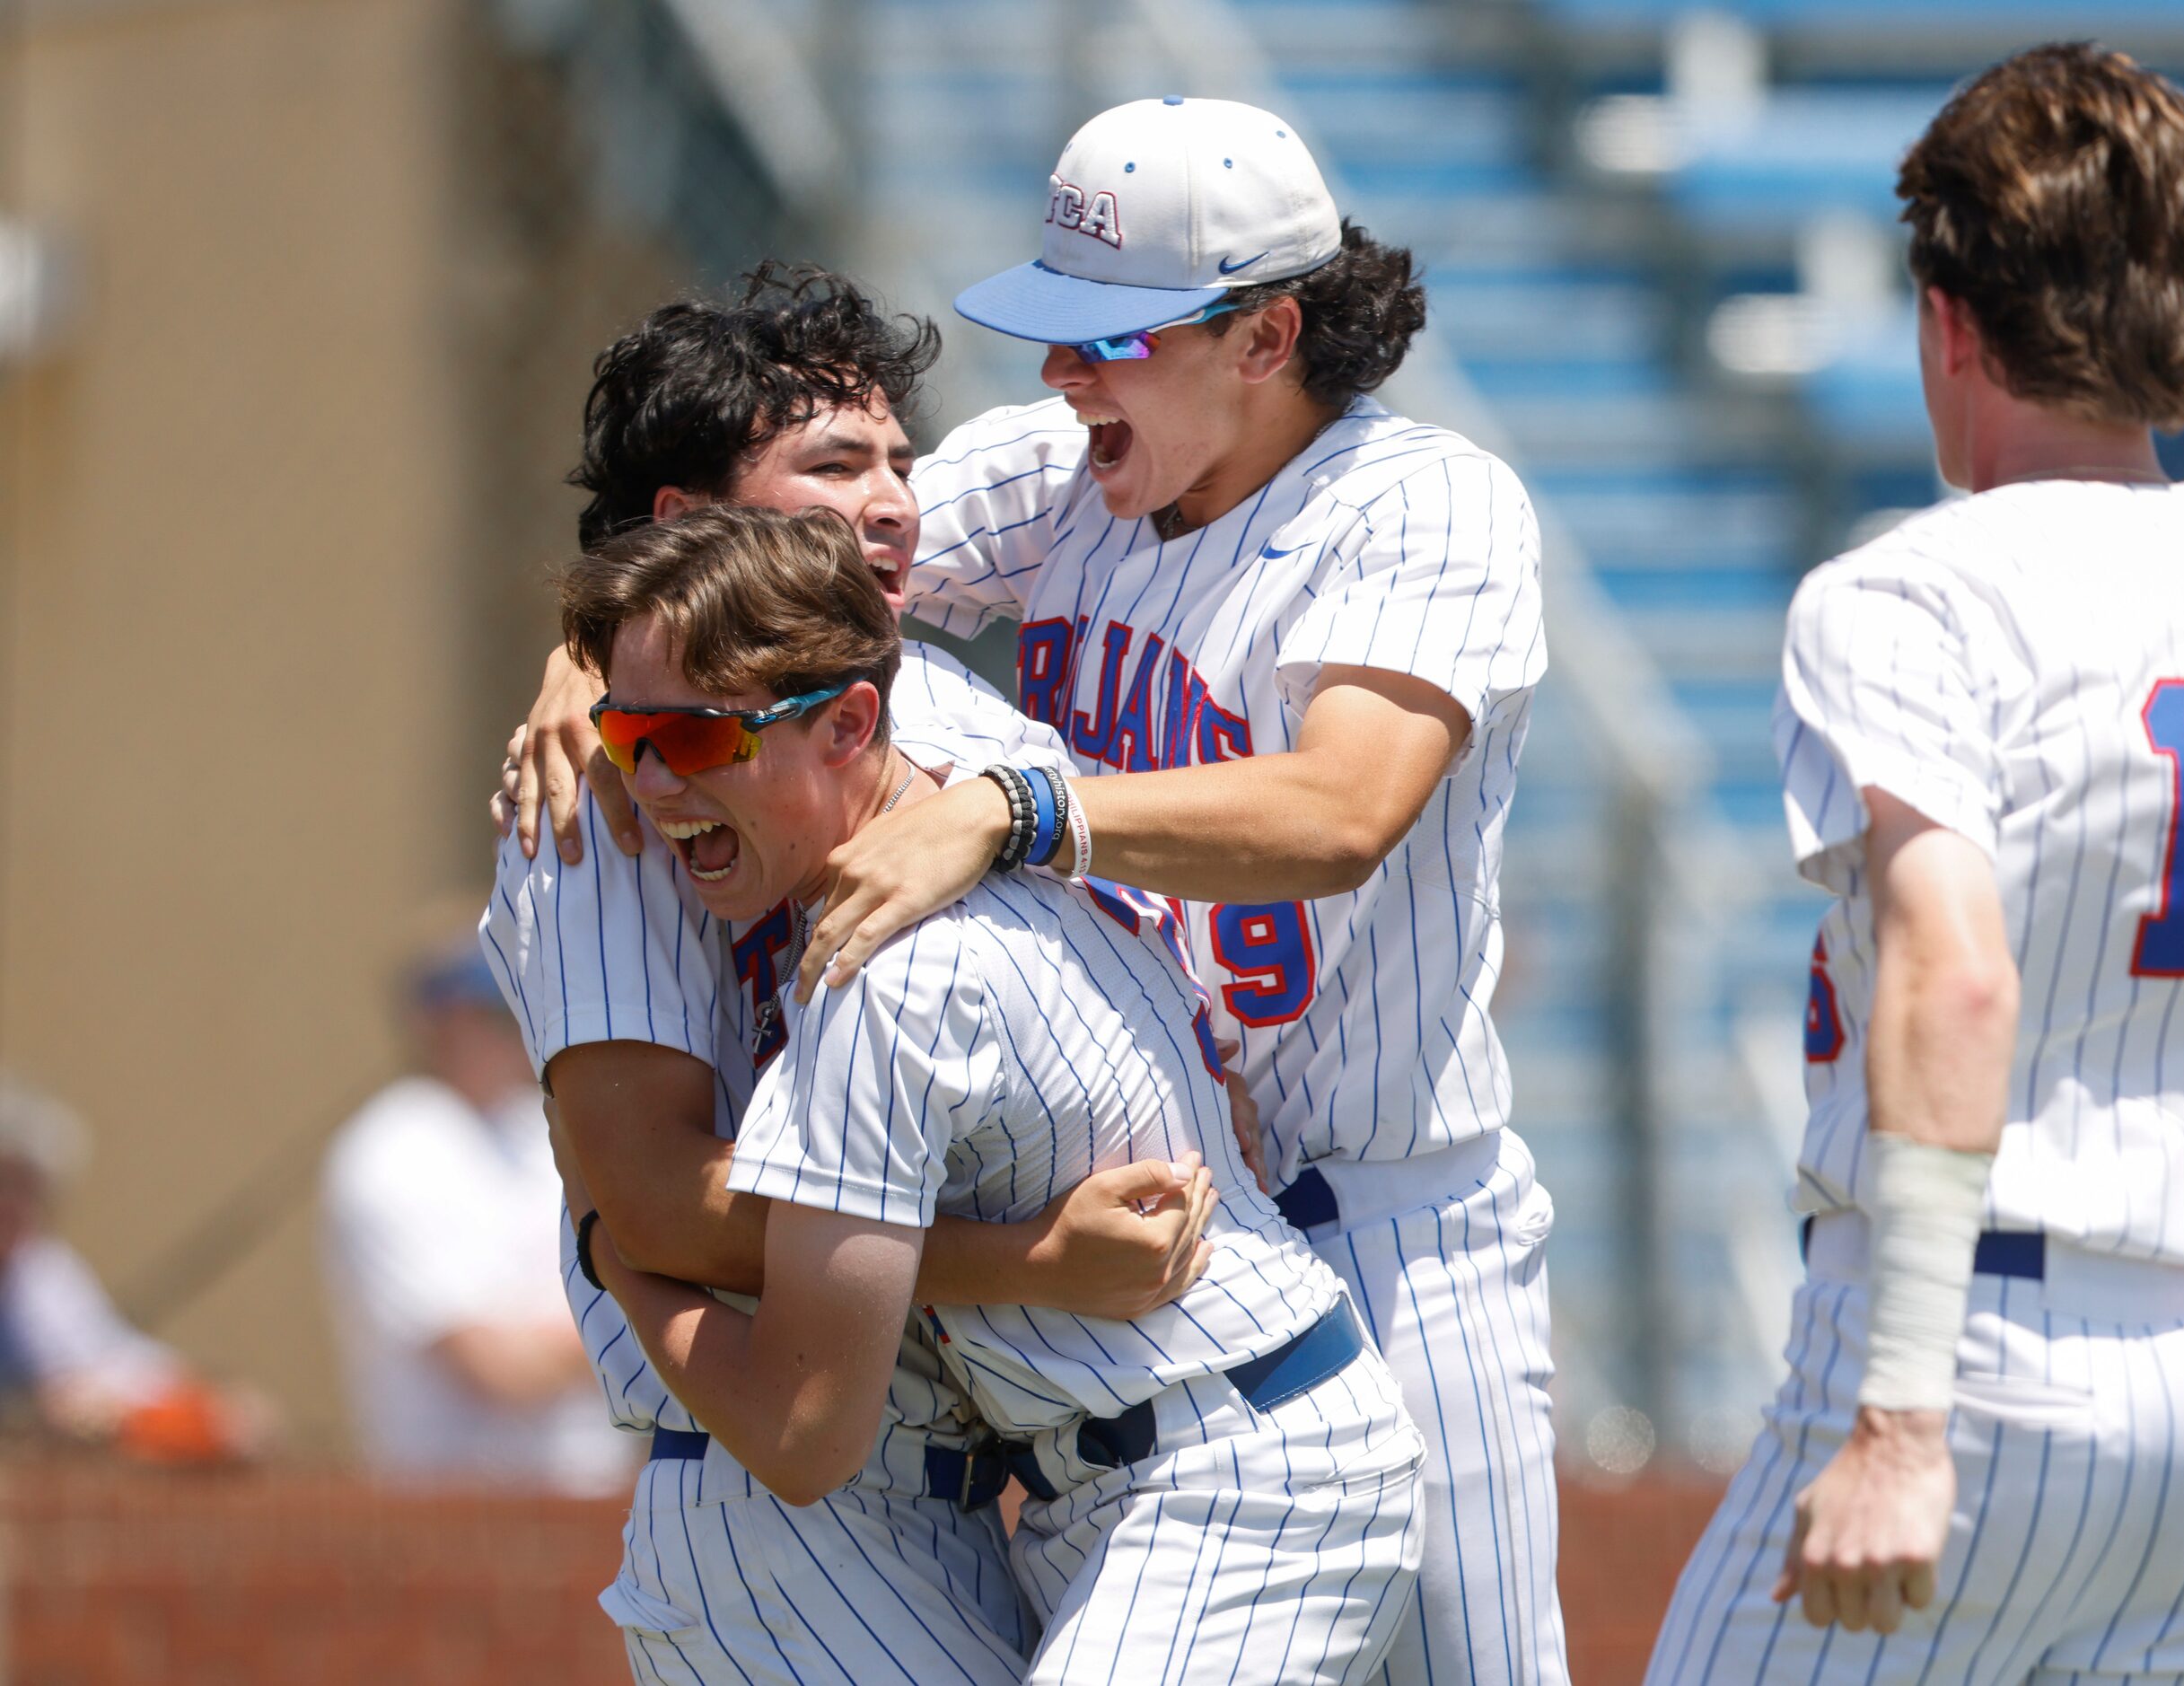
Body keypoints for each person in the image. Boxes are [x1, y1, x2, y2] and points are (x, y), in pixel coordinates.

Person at [507, 96, 1565, 1686]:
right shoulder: (1075, 473)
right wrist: (584, 660)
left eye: (1108, 339)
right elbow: (757, 577)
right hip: (1122, 1298)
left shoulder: (1419, 499)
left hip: (1388, 1210)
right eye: (1055, 341)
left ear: (1267, 331)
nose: (1061, 380)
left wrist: (1016, 808)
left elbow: (1346, 807)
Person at [1647, 44, 2184, 1682]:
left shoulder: (1903, 593)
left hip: (1968, 1354)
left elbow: (1956, 971)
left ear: (1947, 318)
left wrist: (1903, 1410)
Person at [483, 267, 1232, 1683]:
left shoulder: (910, 697)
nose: (897, 501)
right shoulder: (604, 790)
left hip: (976, 1490)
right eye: (837, 467)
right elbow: (646, 1201)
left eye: (900, 460)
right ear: (690, 528)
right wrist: (1029, 1266)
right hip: (771, 1503)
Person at [566, 502, 1425, 1682]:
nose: (655, 783)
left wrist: (616, 1253)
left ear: (850, 723)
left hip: (1238, 1482)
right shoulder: (993, 787)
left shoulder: (878, 972)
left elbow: (805, 1433)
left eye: (704, 739)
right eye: (628, 735)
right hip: (1164, 1471)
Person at [322, 934, 630, 1493]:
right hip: (455, 1518)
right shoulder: (390, 1150)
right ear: (438, 1023)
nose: (518, 1029)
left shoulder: (543, 1129)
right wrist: (650, 1336)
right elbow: (498, 1369)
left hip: (591, 1501)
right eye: (495, 1010)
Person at [0, 1075, 265, 1463]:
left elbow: (117, 1366)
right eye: (5, 1183)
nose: (15, 1207)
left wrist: (213, 1405)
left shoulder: (39, 1274)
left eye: (30, 1191)